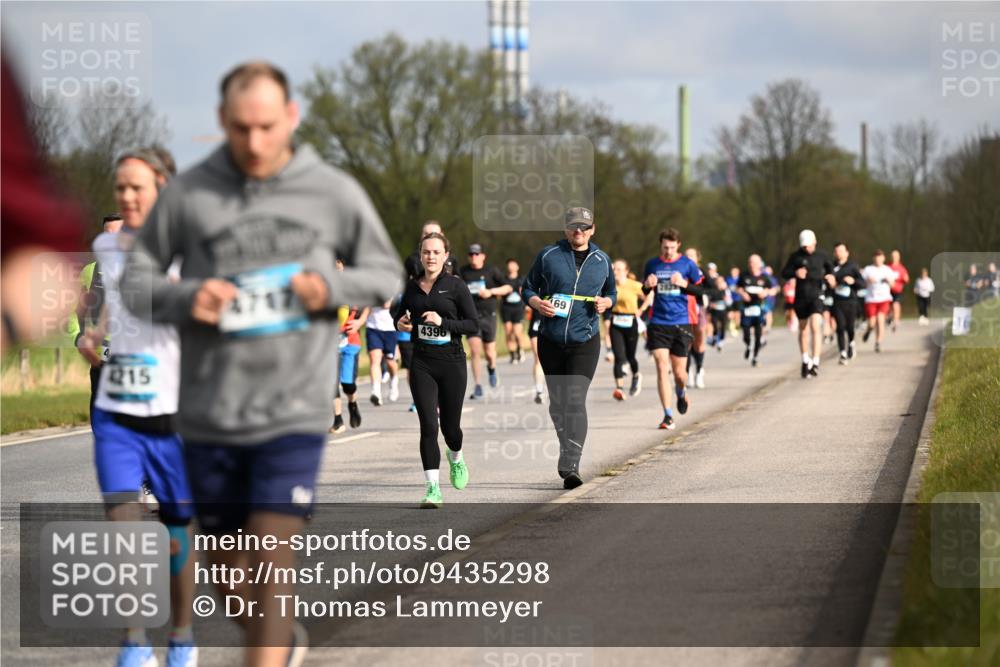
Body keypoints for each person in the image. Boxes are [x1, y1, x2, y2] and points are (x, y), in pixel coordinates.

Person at [121, 61, 402, 667]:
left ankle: (269, 642)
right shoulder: (191, 194)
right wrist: (186, 298)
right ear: (222, 121)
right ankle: (273, 642)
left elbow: (385, 273)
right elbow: (135, 279)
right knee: (228, 579)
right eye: (241, 128)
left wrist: (326, 287)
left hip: (292, 413)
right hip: (210, 416)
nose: (254, 142)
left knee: (273, 569)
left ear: (291, 118)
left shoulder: (331, 191)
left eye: (267, 127)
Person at [77, 147, 198, 667]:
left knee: (176, 532)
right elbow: (109, 314)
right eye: (120, 188)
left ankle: (181, 636)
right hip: (117, 410)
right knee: (122, 522)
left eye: (137, 188)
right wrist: (92, 336)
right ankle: (133, 642)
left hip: (174, 411)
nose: (126, 197)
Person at [523, 207, 615, 488]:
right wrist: (537, 303)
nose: (579, 231)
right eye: (574, 226)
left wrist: (606, 302)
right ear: (565, 229)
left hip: (584, 340)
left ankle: (571, 463)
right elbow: (527, 288)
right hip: (550, 340)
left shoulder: (602, 260)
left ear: (593, 229)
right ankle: (567, 445)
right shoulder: (548, 255)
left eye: (585, 227)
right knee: (558, 405)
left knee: (574, 400)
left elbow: (612, 291)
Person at [394, 232, 477, 507]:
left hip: (452, 361)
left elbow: (472, 325)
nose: (430, 256)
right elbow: (400, 315)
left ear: (445, 256)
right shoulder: (411, 287)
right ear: (421, 255)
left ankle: (456, 457)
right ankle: (432, 489)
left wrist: (443, 322)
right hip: (422, 362)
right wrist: (401, 324)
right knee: (429, 425)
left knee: (450, 429)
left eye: (436, 252)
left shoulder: (455, 286)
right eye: (426, 252)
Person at [642, 228, 704, 430]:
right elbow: (644, 290)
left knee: (679, 374)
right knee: (661, 367)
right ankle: (667, 415)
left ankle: (681, 391)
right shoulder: (652, 264)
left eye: (671, 247)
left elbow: (701, 292)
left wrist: (683, 283)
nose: (668, 251)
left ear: (678, 245)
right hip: (658, 323)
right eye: (664, 247)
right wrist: (646, 285)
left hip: (681, 323)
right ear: (660, 246)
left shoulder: (688, 264)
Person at [780, 229, 835, 378]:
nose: (807, 249)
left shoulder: (822, 256)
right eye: (804, 246)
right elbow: (784, 272)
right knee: (803, 330)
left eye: (809, 246)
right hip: (801, 297)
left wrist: (831, 278)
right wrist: (795, 273)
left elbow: (831, 270)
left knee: (815, 326)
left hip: (816, 295)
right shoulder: (796, 256)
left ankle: (816, 362)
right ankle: (805, 360)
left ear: (815, 242)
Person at [459, 244, 511, 398]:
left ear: (483, 256)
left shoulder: (491, 270)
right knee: (475, 351)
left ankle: (492, 367)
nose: (473, 257)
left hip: (489, 314)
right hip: (471, 316)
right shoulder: (463, 272)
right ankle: (477, 386)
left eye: (476, 254)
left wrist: (491, 292)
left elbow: (507, 287)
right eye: (471, 254)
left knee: (489, 352)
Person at [331, 261, 368, 433]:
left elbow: (368, 304)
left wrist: (360, 321)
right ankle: (338, 420)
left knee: (347, 384)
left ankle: (352, 403)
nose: (337, 265)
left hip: (350, 341)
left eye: (339, 262)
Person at [608, 259, 650, 401]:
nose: (616, 272)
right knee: (618, 357)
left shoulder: (634, 285)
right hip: (616, 322)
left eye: (619, 269)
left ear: (626, 271)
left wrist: (641, 309)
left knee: (631, 356)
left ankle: (637, 375)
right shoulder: (610, 286)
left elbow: (650, 294)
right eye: (614, 269)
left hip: (631, 322)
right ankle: (619, 389)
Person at [737, 254, 777, 367]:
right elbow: (738, 288)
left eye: (754, 262)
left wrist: (766, 292)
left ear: (760, 264)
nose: (752, 264)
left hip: (759, 309)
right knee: (746, 334)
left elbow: (774, 289)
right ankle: (748, 345)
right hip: (747, 309)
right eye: (750, 262)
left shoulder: (764, 277)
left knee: (759, 335)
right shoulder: (744, 275)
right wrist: (742, 293)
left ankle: (755, 356)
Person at [830, 243, 865, 364]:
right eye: (836, 251)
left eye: (841, 251)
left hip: (851, 301)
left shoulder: (852, 266)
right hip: (837, 301)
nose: (839, 253)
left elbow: (862, 283)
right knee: (840, 327)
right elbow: (825, 280)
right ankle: (842, 353)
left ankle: (851, 343)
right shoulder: (831, 266)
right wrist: (830, 282)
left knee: (850, 327)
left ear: (846, 253)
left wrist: (853, 281)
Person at [861, 250, 898, 353]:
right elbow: (861, 283)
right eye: (876, 258)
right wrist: (868, 281)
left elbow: (894, 285)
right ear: (873, 259)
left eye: (880, 258)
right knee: (872, 322)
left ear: (883, 258)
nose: (878, 260)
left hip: (884, 299)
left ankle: (878, 342)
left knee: (880, 319)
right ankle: (868, 330)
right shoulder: (868, 269)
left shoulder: (887, 270)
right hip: (871, 299)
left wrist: (889, 281)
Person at [683, 247, 709, 389]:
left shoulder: (701, 272)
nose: (689, 257)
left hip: (698, 310)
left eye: (692, 255)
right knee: (686, 343)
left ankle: (699, 371)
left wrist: (704, 294)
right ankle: (688, 373)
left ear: (697, 258)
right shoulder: (680, 270)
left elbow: (714, 289)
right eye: (687, 255)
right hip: (682, 310)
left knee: (698, 342)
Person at [366, 303, 399, 405]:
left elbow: (386, 304)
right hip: (373, 328)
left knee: (390, 361)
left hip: (390, 329)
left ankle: (394, 383)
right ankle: (376, 392)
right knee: (374, 359)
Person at [500, 258, 528, 364]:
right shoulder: (503, 279)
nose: (511, 266)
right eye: (509, 264)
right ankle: (512, 355)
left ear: (517, 266)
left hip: (518, 308)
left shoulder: (522, 278)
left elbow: (526, 291)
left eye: (513, 264)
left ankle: (520, 349)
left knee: (517, 332)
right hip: (506, 308)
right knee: (508, 331)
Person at [706, 275, 731, 352]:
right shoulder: (712, 290)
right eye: (718, 281)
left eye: (721, 281)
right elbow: (707, 301)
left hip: (723, 311)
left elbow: (730, 302)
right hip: (714, 311)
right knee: (715, 326)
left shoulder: (726, 291)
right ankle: (715, 338)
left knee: (723, 326)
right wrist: (711, 305)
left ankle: (721, 341)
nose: (719, 283)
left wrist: (726, 300)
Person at [888, 249, 910, 331]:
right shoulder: (888, 267)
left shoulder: (901, 268)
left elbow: (907, 279)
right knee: (889, 307)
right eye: (893, 256)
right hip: (887, 290)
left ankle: (896, 321)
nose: (894, 258)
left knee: (896, 304)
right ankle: (890, 317)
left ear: (899, 257)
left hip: (898, 290)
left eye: (896, 256)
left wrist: (905, 278)